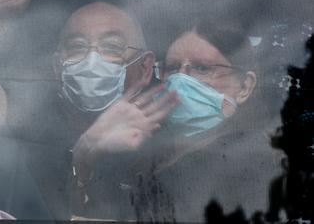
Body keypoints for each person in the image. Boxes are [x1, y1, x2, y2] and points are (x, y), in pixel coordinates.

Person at [0, 0, 179, 219]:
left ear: (144, 68)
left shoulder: (169, 155)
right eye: (76, 47)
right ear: (56, 67)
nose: (92, 60)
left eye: (112, 48)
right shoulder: (22, 137)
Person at [85, 18, 282, 222]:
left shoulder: (256, 164)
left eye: (202, 68)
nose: (181, 81)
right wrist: (94, 150)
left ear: (244, 87)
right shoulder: (146, 149)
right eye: (172, 68)